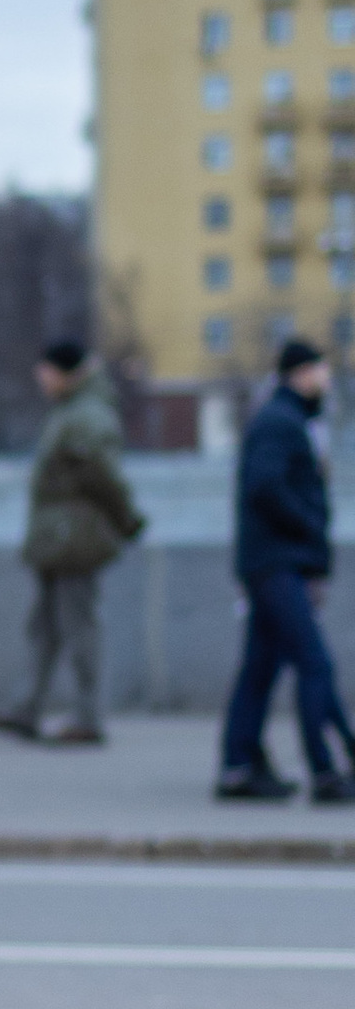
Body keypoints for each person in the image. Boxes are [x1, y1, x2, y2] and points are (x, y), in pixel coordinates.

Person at [0, 338, 145, 747]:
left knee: (77, 626)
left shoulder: (86, 415)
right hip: (60, 536)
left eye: (46, 371)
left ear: (64, 373)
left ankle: (86, 716)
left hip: (74, 537)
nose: (41, 379)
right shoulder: (76, 411)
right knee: (46, 626)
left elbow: (102, 475)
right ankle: (25, 708)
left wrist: (126, 521)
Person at [216, 337, 355, 804]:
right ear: (299, 374)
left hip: (272, 562)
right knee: (314, 664)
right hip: (278, 564)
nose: (326, 379)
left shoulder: (283, 419)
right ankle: (324, 771)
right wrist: (311, 528)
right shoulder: (281, 423)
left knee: (260, 667)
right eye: (319, 369)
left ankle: (239, 766)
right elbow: (265, 487)